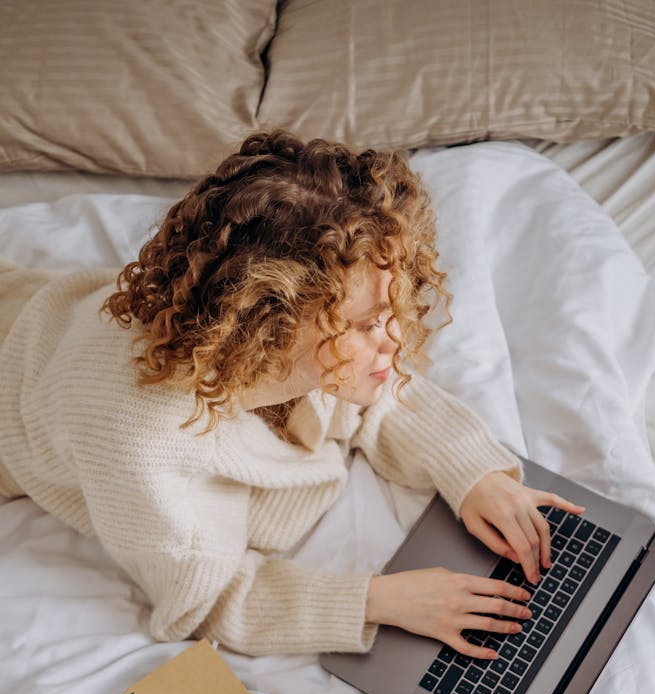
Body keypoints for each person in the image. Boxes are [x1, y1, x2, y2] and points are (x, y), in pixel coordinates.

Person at [0, 129, 583, 661]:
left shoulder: (253, 334)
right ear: (266, 324)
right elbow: (205, 601)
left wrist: (475, 473)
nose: (396, 340)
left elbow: (364, 393)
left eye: (389, 312)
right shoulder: (144, 444)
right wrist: (381, 601)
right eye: (366, 324)